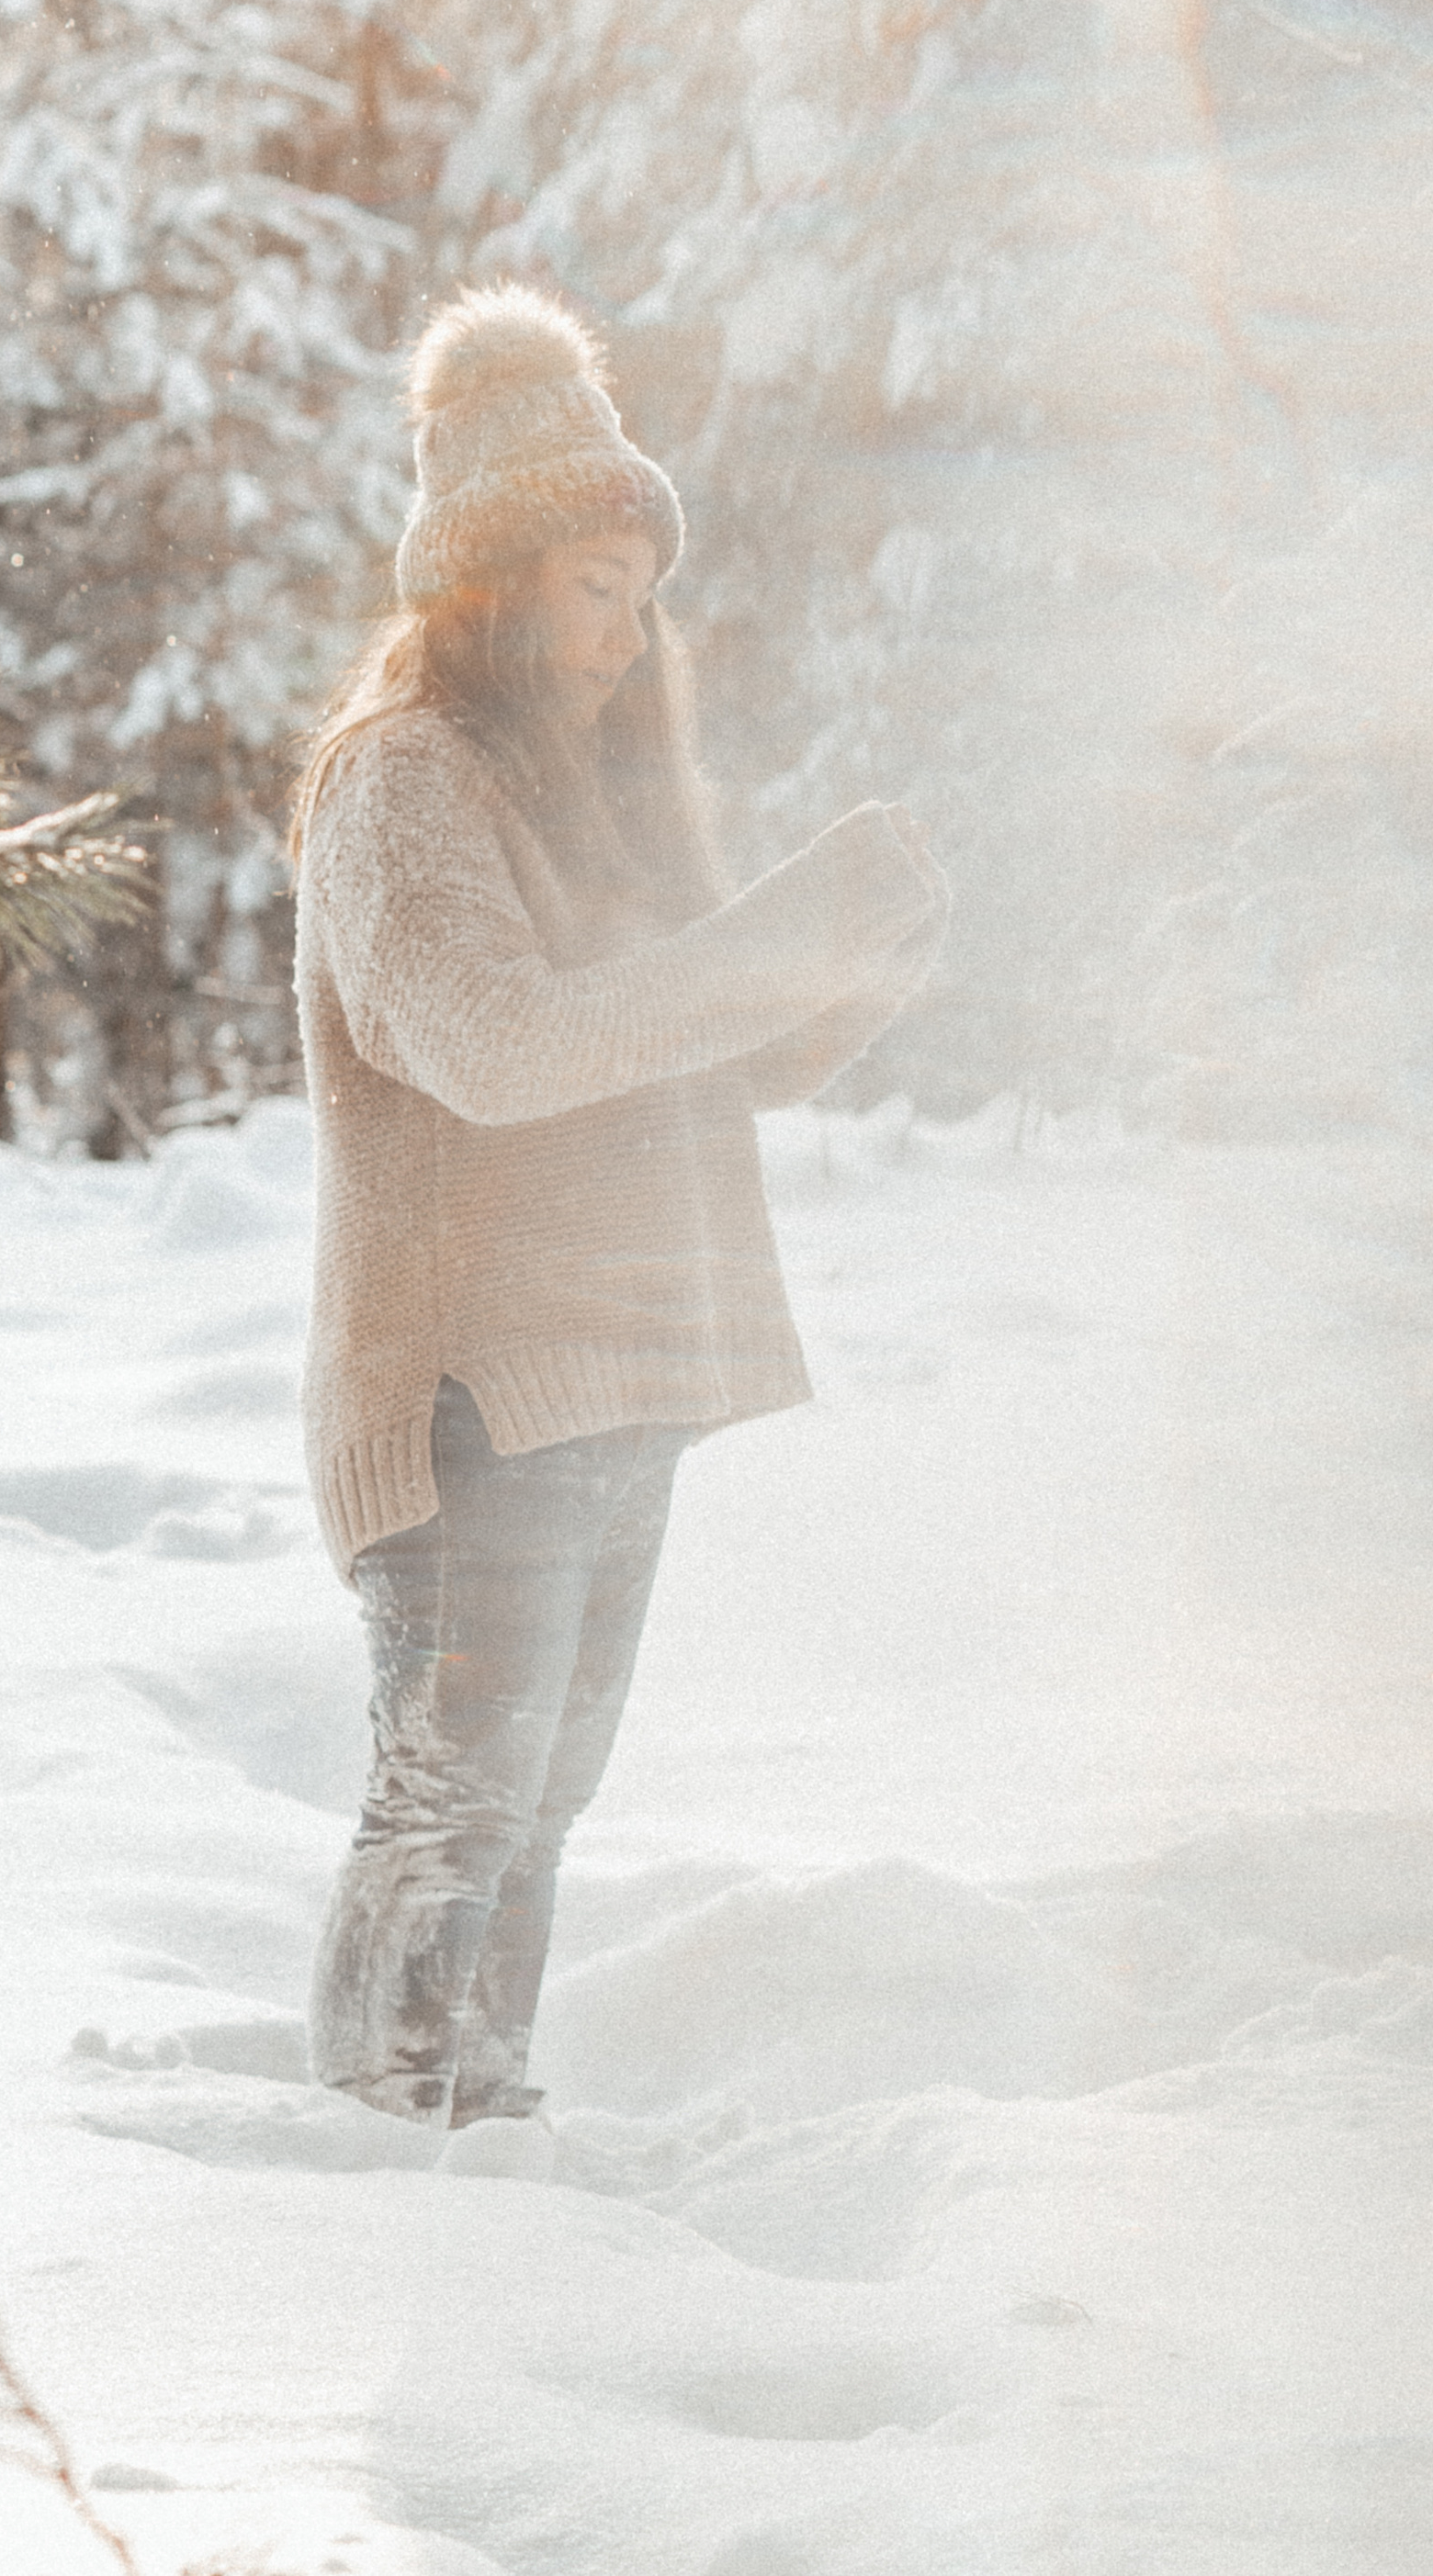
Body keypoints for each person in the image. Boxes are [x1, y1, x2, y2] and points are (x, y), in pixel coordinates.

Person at [289, 285, 947, 2155]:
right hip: (469, 1393)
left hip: (614, 1374)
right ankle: (377, 2151)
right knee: (456, 1796)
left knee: (540, 1795)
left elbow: (700, 1062)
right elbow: (498, 1050)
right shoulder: (403, 777)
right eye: (592, 579)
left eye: (638, 587)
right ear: (489, 577)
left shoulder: (593, 788)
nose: (622, 627)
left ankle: (471, 2125)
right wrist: (763, 942)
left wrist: (857, 964)